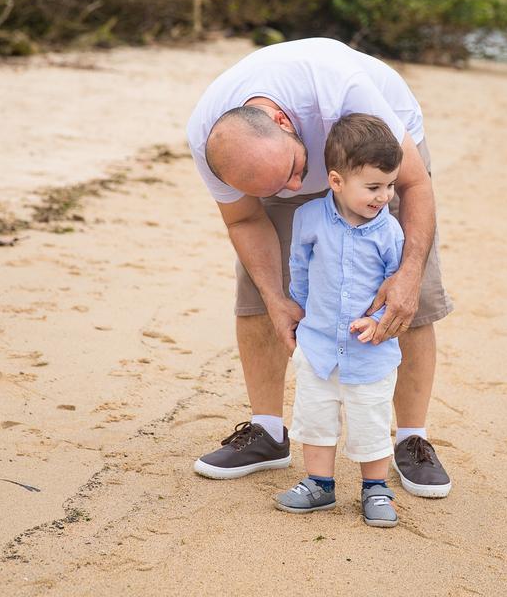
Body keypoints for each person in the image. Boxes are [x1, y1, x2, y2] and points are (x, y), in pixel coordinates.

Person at [185, 37, 453, 498]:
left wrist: (407, 276)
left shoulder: (339, 88)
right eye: (279, 186)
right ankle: (267, 432)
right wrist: (276, 298)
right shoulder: (211, 140)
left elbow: (414, 184)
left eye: (293, 172)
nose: (294, 188)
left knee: (409, 295)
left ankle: (412, 437)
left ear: (284, 121)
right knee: (257, 291)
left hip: (371, 148)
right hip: (277, 157)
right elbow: (246, 218)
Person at [274, 114, 405, 527]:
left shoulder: (390, 232)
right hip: (318, 346)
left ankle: (375, 489)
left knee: (370, 420)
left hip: (370, 353)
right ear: (336, 181)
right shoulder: (309, 218)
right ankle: (319, 484)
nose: (383, 196)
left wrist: (379, 319)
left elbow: (396, 285)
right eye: (373, 187)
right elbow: (299, 263)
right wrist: (298, 307)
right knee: (315, 418)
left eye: (390, 186)